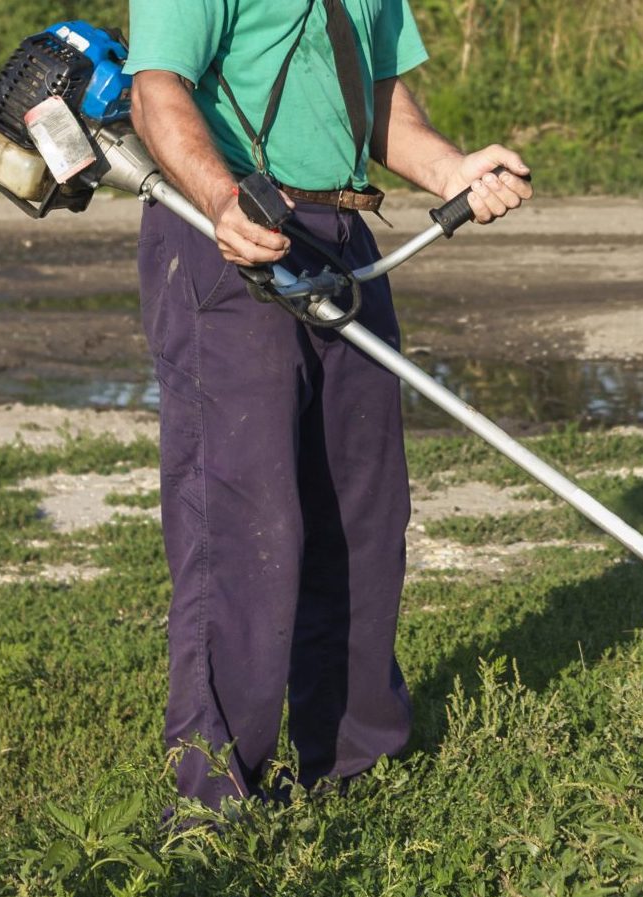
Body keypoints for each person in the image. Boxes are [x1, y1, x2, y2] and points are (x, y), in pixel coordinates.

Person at [124, 0, 532, 809]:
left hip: (345, 236)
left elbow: (374, 97)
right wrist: (221, 201)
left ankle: (351, 768)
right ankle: (215, 800)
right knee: (242, 519)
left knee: (364, 511)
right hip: (232, 236)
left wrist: (451, 170)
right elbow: (155, 91)